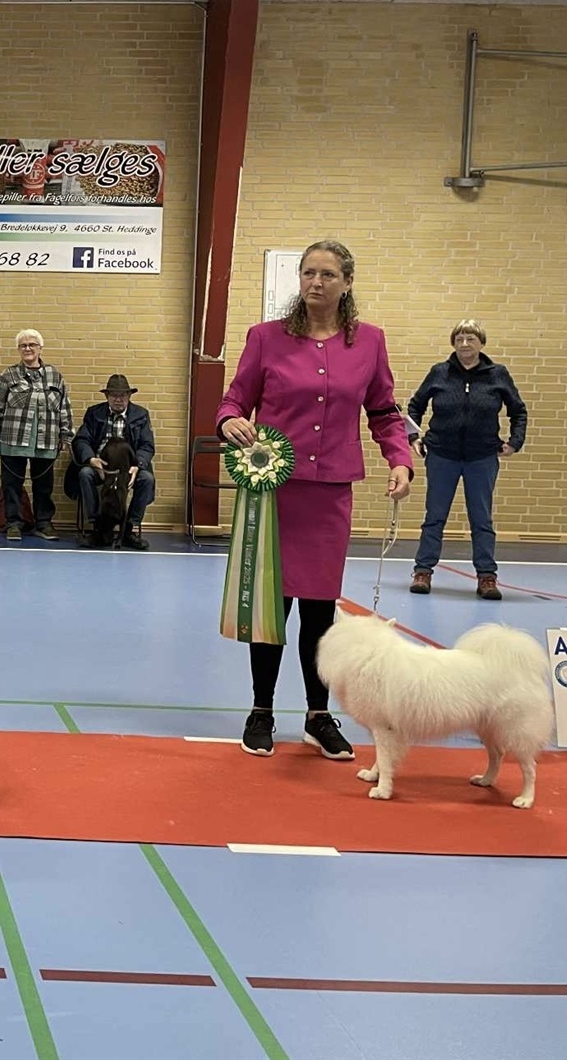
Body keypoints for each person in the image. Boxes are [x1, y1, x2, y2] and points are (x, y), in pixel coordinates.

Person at [217, 239, 413, 761]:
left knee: (320, 610)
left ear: (347, 283)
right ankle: (261, 709)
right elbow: (235, 397)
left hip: (330, 496)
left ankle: (317, 714)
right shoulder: (265, 338)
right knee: (271, 606)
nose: (316, 282)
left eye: (327, 274)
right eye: (308, 272)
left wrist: (400, 460)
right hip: (274, 491)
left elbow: (385, 412)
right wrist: (230, 419)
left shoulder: (370, 342)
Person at [407, 320, 527, 602]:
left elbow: (518, 411)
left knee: (481, 519)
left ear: (481, 343)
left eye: (470, 338)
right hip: (441, 455)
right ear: (453, 343)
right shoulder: (439, 372)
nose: (464, 344)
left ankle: (486, 576)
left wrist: (514, 442)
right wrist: (413, 436)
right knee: (434, 517)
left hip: (482, 457)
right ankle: (423, 571)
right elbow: (415, 405)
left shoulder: (498, 375)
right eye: (459, 338)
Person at [0, 329, 74, 541]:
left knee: (44, 486)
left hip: (47, 440)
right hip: (12, 439)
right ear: (18, 350)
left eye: (32, 345)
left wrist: (66, 435)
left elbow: (65, 408)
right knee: (11, 484)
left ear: (40, 348)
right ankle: (14, 523)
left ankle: (43, 523)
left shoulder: (55, 375)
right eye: (23, 345)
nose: (28, 349)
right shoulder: (8, 375)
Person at [69, 374, 156, 550]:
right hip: (101, 465)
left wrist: (137, 466)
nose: (118, 400)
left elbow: (147, 445)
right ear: (107, 396)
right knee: (85, 474)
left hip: (129, 467)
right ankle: (98, 528)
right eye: (114, 395)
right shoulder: (94, 413)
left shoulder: (141, 415)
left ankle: (129, 530)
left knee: (147, 479)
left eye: (122, 395)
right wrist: (91, 459)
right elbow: (81, 440)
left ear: (129, 396)